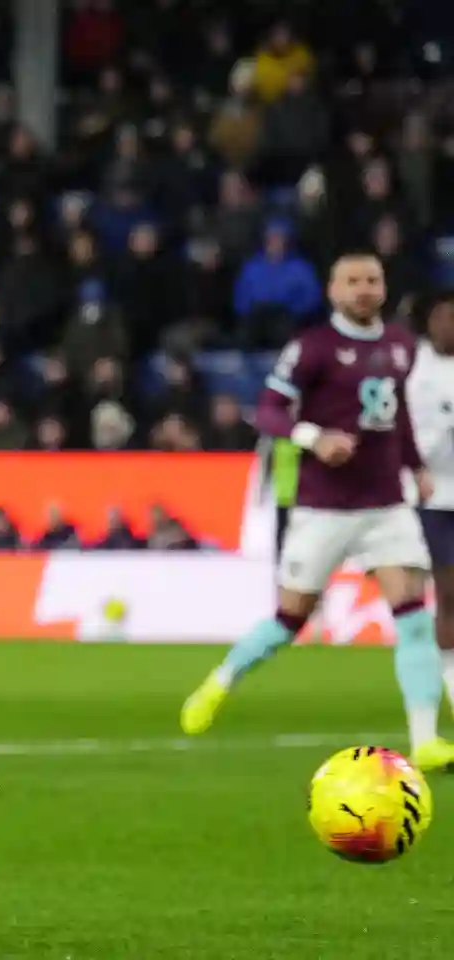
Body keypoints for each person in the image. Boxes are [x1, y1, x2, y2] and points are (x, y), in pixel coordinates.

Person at [180, 254, 454, 772]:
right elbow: (266, 410)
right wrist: (314, 437)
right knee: (290, 620)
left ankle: (426, 740)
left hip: (386, 506)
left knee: (414, 618)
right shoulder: (312, 348)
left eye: (372, 280)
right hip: (323, 508)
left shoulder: (400, 345)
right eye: (352, 281)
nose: (364, 290)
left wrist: (414, 466)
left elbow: (398, 423)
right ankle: (220, 682)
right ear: (332, 290)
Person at [407, 289, 454, 739]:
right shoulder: (417, 371)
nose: (449, 326)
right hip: (435, 498)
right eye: (442, 318)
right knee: (449, 592)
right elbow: (416, 443)